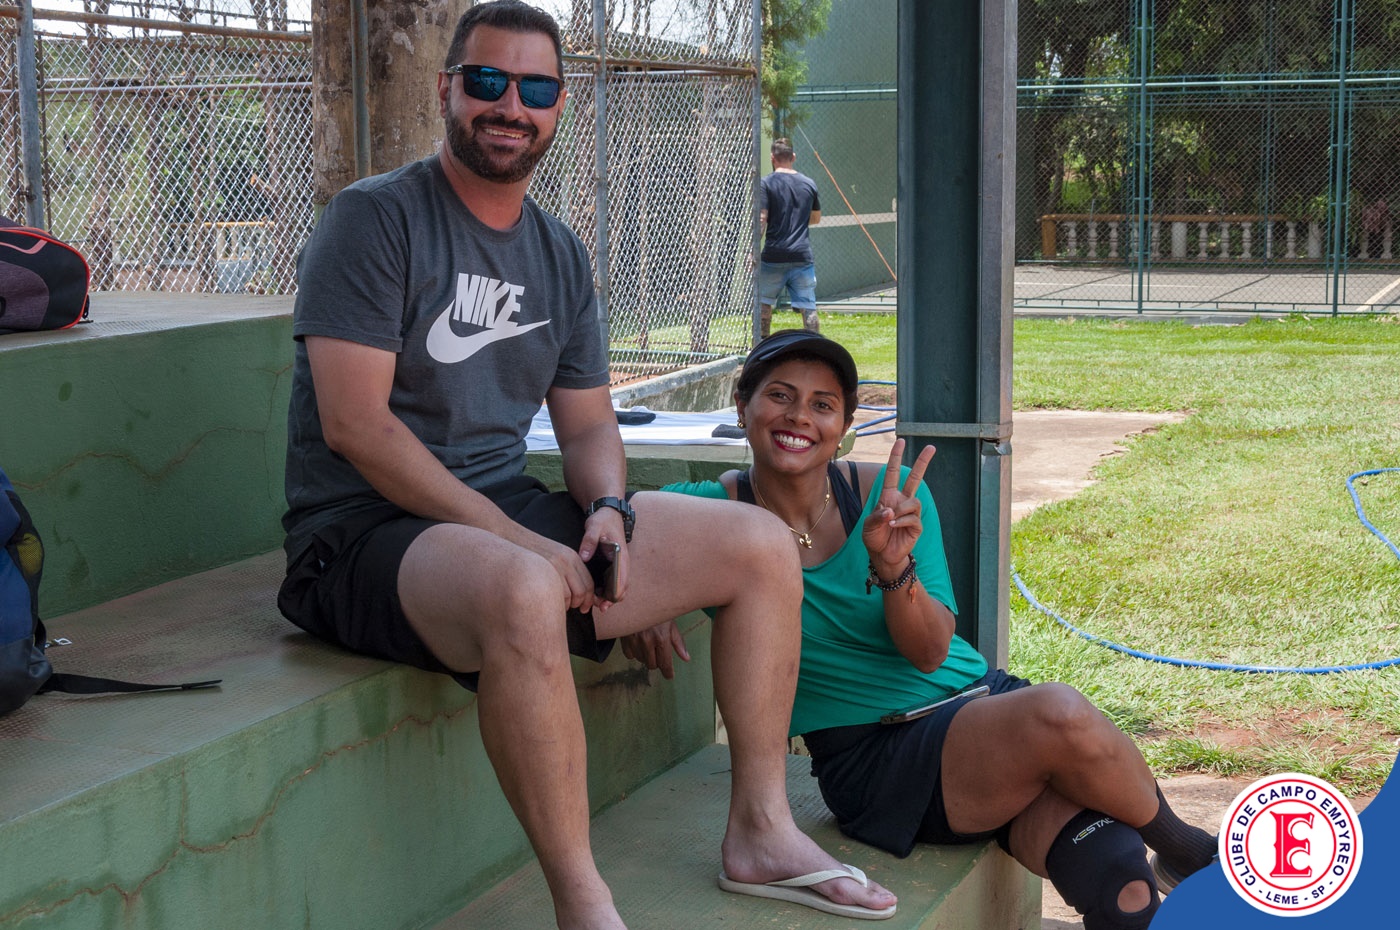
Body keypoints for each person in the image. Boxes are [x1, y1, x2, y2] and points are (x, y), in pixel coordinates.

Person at [275, 4, 898, 928]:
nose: (510, 106)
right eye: (488, 81)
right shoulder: (376, 218)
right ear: (448, 89)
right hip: (359, 534)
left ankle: (761, 831)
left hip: (498, 510)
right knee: (528, 587)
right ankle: (584, 901)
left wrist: (608, 508)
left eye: (535, 89)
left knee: (760, 543)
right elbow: (355, 427)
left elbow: (587, 426)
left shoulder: (558, 253)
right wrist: (524, 542)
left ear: (559, 105)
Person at [630, 330, 1220, 930]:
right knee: (1060, 713)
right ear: (742, 406)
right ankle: (1189, 851)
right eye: (780, 396)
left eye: (822, 404)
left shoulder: (892, 497)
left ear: (844, 425)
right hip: (876, 756)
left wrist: (893, 568)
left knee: (1121, 880)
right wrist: (653, 601)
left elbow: (931, 651)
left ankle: (1172, 860)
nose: (799, 416)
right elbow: (623, 530)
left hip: (982, 712)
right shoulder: (708, 510)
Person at [757, 138, 822, 337]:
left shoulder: (766, 183)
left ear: (772, 158)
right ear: (793, 157)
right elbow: (816, 218)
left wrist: (752, 251)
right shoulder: (809, 184)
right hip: (801, 255)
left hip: (773, 255)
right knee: (808, 306)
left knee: (763, 303)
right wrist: (798, 220)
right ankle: (813, 345)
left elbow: (761, 218)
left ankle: (762, 345)